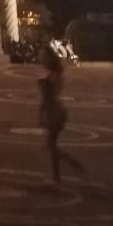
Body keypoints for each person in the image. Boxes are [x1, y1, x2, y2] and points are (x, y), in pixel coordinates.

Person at [39, 46, 84, 182]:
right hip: (54, 110)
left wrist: (42, 113)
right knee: (51, 145)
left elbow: (50, 96)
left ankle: (72, 164)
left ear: (48, 58)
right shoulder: (53, 72)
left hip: (54, 111)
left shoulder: (53, 74)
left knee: (50, 145)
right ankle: (57, 176)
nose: (40, 58)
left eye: (42, 56)